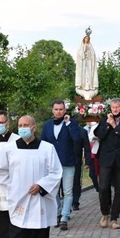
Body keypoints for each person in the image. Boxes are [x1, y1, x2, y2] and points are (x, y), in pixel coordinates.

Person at [0, 115, 62, 238]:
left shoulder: (47, 148)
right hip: (19, 200)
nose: (22, 128)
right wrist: (12, 185)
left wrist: (41, 185)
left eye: (26, 125)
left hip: (39, 200)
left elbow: (55, 172)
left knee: (37, 237)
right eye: (20, 125)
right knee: (17, 236)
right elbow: (0, 170)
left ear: (34, 128)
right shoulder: (9, 149)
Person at [40, 99, 83, 231]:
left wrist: (68, 123)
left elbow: (77, 138)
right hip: (52, 164)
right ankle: (58, 212)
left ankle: (65, 217)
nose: (58, 112)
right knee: (53, 191)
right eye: (56, 109)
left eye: (61, 109)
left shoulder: (71, 123)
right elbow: (43, 143)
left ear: (65, 110)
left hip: (68, 162)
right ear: (53, 111)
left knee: (68, 191)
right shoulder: (47, 125)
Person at [94, 98, 120, 229]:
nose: (115, 109)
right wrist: (108, 124)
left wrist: (115, 126)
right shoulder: (105, 119)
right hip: (106, 158)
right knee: (103, 187)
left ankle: (114, 218)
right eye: (113, 107)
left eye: (117, 107)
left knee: (119, 189)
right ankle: (105, 213)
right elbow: (99, 135)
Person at [75, 27, 98, 100]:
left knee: (89, 75)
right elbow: (79, 55)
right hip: (83, 65)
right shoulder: (80, 47)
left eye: (87, 39)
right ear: (83, 39)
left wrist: (89, 54)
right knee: (84, 76)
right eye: (85, 39)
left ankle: (90, 86)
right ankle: (83, 86)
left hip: (89, 64)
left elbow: (93, 55)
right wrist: (84, 49)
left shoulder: (91, 47)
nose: (86, 40)